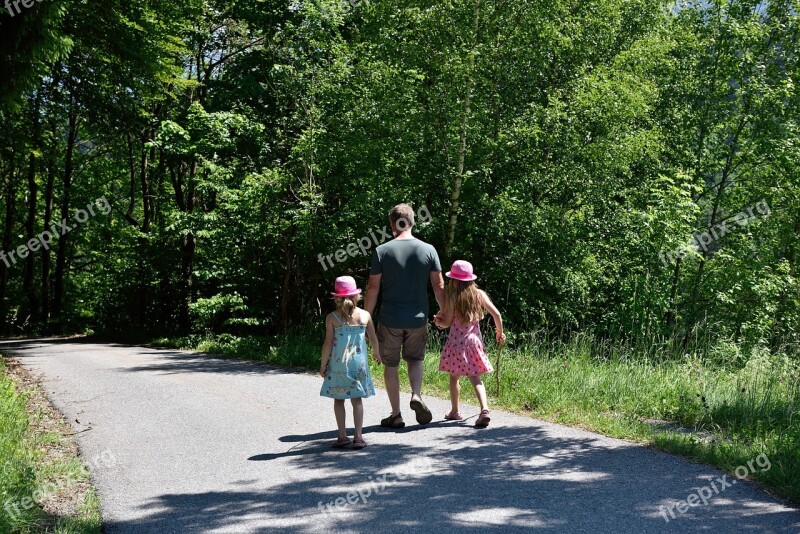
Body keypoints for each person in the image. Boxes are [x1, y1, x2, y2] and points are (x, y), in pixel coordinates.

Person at [365, 204, 446, 428]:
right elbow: (439, 286)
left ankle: (396, 414)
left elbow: (373, 289)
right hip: (418, 319)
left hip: (390, 319)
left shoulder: (382, 251)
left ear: (393, 224)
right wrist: (445, 313)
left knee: (390, 365)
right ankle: (416, 395)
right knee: (415, 359)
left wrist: (365, 318)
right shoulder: (429, 249)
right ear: (413, 222)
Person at [434, 260, 505, 428]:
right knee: (475, 377)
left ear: (455, 280)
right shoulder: (479, 294)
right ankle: (484, 409)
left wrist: (438, 322)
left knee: (454, 377)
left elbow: (447, 323)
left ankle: (455, 411)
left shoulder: (453, 298)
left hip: (457, 344)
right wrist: (499, 333)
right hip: (473, 343)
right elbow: (497, 315)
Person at [320, 276, 382, 449]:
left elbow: (327, 344)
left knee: (339, 400)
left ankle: (342, 436)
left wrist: (323, 365)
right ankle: (358, 437)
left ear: (336, 298)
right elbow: (374, 339)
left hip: (339, 365)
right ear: (356, 296)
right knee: (357, 400)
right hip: (359, 365)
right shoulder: (365, 315)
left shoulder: (332, 318)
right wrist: (377, 354)